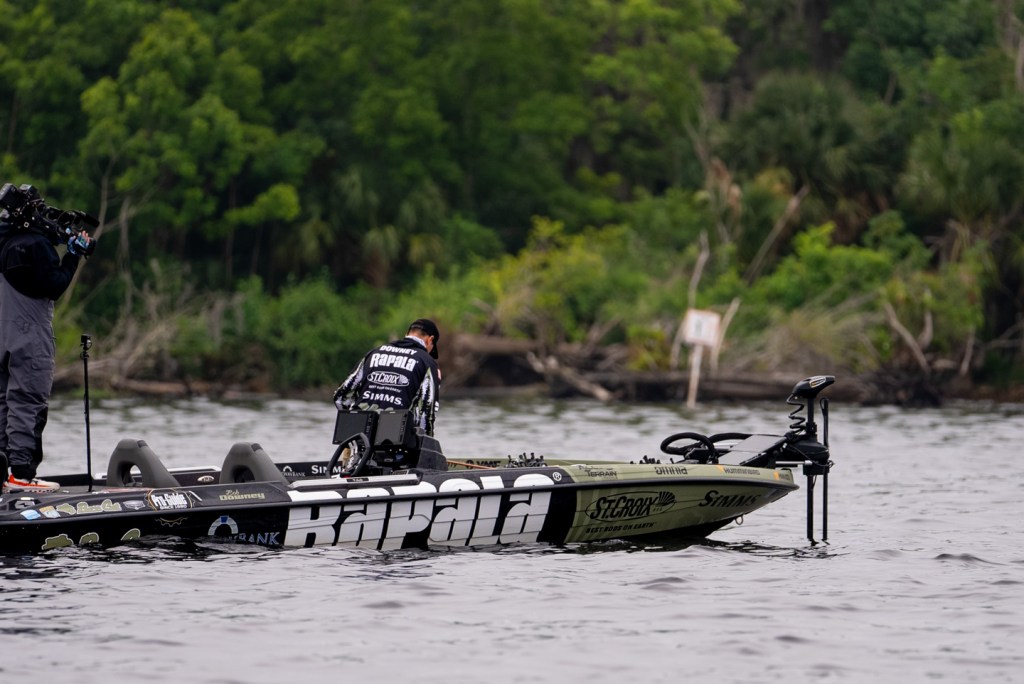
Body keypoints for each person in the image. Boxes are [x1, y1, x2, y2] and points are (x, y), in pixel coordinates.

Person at [0, 212, 92, 492]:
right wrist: (73, 255)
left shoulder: (4, 242)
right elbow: (54, 285)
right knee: (28, 401)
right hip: (29, 336)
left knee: (3, 401)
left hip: (3, 334)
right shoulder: (36, 245)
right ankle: (22, 475)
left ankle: (3, 476)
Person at [333, 318, 442, 437]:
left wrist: (351, 424)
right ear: (430, 339)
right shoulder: (427, 362)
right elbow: (426, 413)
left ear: (407, 333)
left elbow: (340, 397)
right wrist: (425, 440)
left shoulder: (374, 353)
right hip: (395, 438)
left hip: (359, 435)